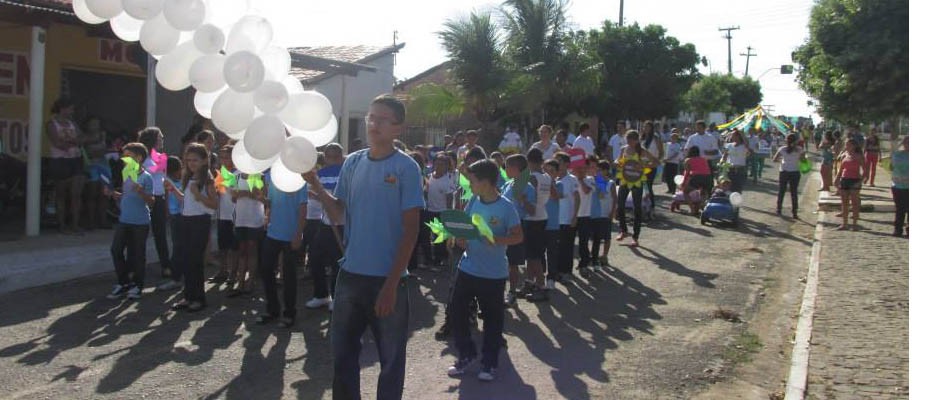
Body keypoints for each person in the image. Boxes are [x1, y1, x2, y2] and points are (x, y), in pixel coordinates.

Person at [304, 94, 424, 400]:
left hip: (388, 280)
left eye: (383, 119)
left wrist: (391, 285)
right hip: (349, 277)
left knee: (391, 361)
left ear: (398, 128)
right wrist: (316, 185)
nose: (373, 124)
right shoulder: (353, 163)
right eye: (371, 117)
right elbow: (339, 214)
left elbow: (411, 231)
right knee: (342, 357)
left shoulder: (406, 168)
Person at [446, 159, 523, 382]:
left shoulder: (506, 207)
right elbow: (466, 229)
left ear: (487, 182)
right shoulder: (473, 201)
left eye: (473, 181)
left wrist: (497, 239)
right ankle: (466, 354)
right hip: (468, 267)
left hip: (493, 274)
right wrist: (459, 238)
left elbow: (518, 236)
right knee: (456, 311)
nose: (470, 185)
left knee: (492, 319)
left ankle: (489, 363)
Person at [166, 144, 218, 312]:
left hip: (200, 221)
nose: (191, 163)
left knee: (195, 261)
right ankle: (188, 297)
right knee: (186, 260)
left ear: (204, 160)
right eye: (188, 160)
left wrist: (198, 194)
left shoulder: (207, 179)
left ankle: (199, 299)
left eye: (195, 160)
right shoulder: (189, 177)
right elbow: (186, 200)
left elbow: (214, 204)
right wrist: (173, 190)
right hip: (186, 219)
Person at [105, 143, 154, 300]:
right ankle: (124, 282)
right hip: (124, 219)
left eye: (128, 155)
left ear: (139, 158)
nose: (124, 159)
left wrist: (142, 192)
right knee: (116, 250)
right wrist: (114, 194)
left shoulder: (146, 177)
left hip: (140, 222)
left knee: (138, 254)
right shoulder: (126, 173)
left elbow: (152, 202)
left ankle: (137, 286)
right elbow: (126, 195)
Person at [305, 144, 346, 310]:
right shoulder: (319, 175)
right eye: (329, 156)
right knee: (314, 257)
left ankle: (337, 297)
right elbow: (318, 194)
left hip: (342, 224)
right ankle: (321, 295)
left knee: (338, 262)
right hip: (325, 223)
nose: (332, 159)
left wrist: (321, 196)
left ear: (341, 157)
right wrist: (316, 194)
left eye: (336, 156)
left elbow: (339, 200)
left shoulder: (346, 175)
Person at [500, 154, 536, 305]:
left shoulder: (527, 187)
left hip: (516, 227)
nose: (505, 169)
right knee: (502, 261)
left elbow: (532, 210)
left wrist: (523, 200)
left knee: (513, 263)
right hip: (501, 227)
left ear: (515, 168)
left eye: (507, 166)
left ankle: (512, 292)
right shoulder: (507, 184)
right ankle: (499, 292)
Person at [47, 98, 86, 235]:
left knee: (76, 194)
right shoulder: (52, 124)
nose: (72, 111)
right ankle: (61, 225)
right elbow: (58, 144)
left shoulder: (72, 123)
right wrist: (74, 142)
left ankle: (75, 224)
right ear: (62, 108)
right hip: (59, 161)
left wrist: (71, 142)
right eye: (70, 108)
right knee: (61, 194)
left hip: (75, 159)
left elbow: (82, 138)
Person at [137, 128, 172, 277]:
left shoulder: (161, 156)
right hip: (143, 197)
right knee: (140, 234)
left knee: (160, 233)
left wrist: (166, 201)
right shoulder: (141, 157)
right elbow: (140, 172)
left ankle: (166, 265)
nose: (162, 140)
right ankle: (137, 267)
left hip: (158, 198)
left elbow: (163, 179)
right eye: (160, 137)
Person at [616, 130, 659, 247]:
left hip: (637, 181)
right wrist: (617, 163)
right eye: (627, 140)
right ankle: (624, 230)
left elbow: (656, 162)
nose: (629, 142)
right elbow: (618, 160)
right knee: (620, 205)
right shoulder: (623, 149)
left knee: (637, 208)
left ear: (636, 140)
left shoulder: (642, 151)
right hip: (624, 180)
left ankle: (635, 236)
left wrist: (644, 165)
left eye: (631, 140)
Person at [229, 165, 266, 297]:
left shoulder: (259, 175)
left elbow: (262, 197)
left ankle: (250, 281)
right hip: (240, 219)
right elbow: (233, 197)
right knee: (242, 251)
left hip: (254, 220)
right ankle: (240, 282)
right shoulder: (236, 176)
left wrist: (247, 193)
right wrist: (238, 194)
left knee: (252, 250)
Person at [522, 149, 551, 302]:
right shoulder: (546, 176)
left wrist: (523, 200)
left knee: (534, 256)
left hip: (532, 218)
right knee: (532, 254)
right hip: (542, 215)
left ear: (529, 162)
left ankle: (541, 286)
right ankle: (530, 282)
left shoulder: (533, 177)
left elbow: (528, 199)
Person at [211, 145, 239, 288]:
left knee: (234, 247)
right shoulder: (220, 174)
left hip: (234, 215)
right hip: (222, 214)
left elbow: (237, 194)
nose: (223, 160)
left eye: (226, 157)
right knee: (223, 245)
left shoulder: (238, 173)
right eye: (221, 157)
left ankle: (233, 273)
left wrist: (229, 185)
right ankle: (222, 270)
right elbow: (218, 193)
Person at [158, 156, 185, 292]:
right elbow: (167, 200)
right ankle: (177, 277)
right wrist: (167, 213)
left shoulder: (183, 181)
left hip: (182, 216)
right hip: (176, 216)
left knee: (179, 248)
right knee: (178, 248)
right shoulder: (168, 181)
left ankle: (177, 278)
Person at [426, 154, 457, 267]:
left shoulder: (447, 180)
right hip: (429, 210)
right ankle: (435, 257)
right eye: (437, 163)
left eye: (442, 164)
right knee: (431, 236)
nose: (439, 166)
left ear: (447, 166)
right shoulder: (429, 177)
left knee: (440, 237)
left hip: (442, 212)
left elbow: (450, 198)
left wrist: (448, 214)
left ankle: (440, 260)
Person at [553, 152, 579, 283]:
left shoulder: (571, 179)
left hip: (567, 219)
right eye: (555, 162)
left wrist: (575, 216)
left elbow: (577, 198)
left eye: (560, 162)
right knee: (556, 247)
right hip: (555, 220)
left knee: (567, 247)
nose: (558, 165)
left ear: (567, 164)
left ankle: (567, 272)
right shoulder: (553, 180)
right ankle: (557, 271)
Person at [772, 133, 807, 219]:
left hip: (784, 171)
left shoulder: (782, 149)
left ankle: (779, 209)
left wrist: (783, 160)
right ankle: (794, 212)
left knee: (781, 191)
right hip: (795, 172)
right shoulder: (799, 149)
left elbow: (774, 159)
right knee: (794, 193)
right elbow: (804, 161)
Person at [835, 139, 866, 230]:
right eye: (846, 145)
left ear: (854, 146)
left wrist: (860, 181)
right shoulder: (844, 155)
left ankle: (855, 224)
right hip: (845, 179)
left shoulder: (858, 156)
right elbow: (841, 169)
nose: (847, 147)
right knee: (844, 203)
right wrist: (837, 178)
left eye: (848, 145)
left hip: (855, 180)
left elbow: (865, 170)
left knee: (854, 203)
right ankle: (844, 224)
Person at [590, 160, 617, 267]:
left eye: (601, 170)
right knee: (594, 237)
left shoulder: (610, 183)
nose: (598, 171)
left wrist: (613, 211)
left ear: (606, 171)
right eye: (597, 169)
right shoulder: (593, 181)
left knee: (606, 237)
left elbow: (614, 198)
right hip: (595, 214)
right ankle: (594, 255)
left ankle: (604, 255)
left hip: (606, 214)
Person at [684, 120, 721, 196]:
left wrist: (708, 152)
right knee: (692, 183)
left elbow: (716, 151)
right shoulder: (692, 137)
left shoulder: (711, 137)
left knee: (708, 183)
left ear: (704, 128)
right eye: (697, 127)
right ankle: (695, 198)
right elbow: (687, 149)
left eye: (700, 128)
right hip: (694, 163)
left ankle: (707, 197)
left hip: (706, 162)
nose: (698, 129)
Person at [541, 159, 562, 289]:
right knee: (539, 252)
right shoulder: (539, 185)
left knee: (552, 253)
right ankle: (540, 276)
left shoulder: (559, 184)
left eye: (551, 171)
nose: (548, 173)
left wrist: (549, 183)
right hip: (539, 222)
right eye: (546, 171)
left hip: (553, 225)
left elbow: (555, 196)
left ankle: (551, 278)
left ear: (557, 173)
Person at [574, 155, 596, 274]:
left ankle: (584, 264)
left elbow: (587, 191)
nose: (581, 170)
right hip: (572, 215)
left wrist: (581, 179)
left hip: (585, 215)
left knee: (583, 242)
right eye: (579, 167)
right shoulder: (572, 179)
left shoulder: (590, 179)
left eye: (584, 167)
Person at [680, 146, 711, 216]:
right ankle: (702, 207)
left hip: (696, 176)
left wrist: (683, 183)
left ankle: (693, 210)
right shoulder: (704, 159)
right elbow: (706, 170)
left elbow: (687, 173)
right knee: (703, 192)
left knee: (686, 192)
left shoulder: (688, 160)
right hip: (707, 177)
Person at [640, 121, 664, 198]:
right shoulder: (641, 138)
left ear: (651, 128)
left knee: (648, 184)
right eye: (644, 127)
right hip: (642, 164)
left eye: (648, 127)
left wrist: (657, 161)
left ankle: (651, 203)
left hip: (652, 164)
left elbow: (661, 152)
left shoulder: (655, 138)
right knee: (641, 184)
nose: (646, 128)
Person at [890, 136, 909, 237]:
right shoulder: (897, 154)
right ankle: (898, 229)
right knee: (900, 208)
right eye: (906, 142)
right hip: (897, 185)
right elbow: (891, 167)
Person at [721, 129, 751, 193]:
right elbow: (724, 156)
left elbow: (747, 145)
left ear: (738, 136)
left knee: (738, 189)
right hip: (730, 169)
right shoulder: (729, 145)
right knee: (728, 188)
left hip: (740, 170)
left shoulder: (743, 146)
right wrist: (722, 162)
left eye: (733, 135)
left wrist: (741, 133)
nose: (731, 136)